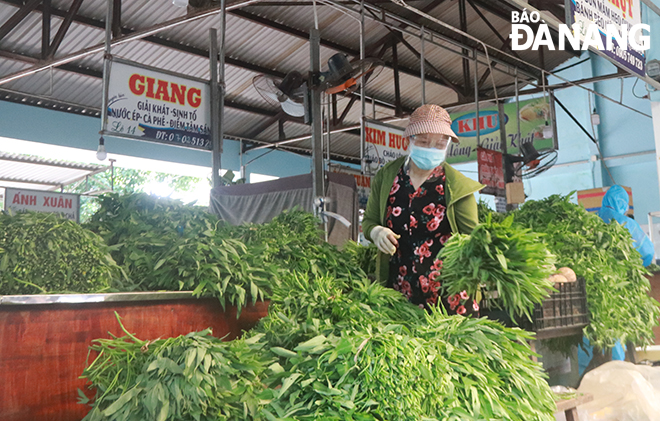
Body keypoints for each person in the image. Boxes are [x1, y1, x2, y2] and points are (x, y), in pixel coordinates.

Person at [362, 104, 484, 313]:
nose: (431, 148)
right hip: (400, 294)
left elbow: (474, 241)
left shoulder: (458, 187)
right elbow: (369, 220)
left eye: (439, 144)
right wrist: (376, 232)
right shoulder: (387, 177)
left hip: (449, 297)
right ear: (408, 141)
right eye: (423, 141)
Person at [578, 185, 655, 376]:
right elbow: (648, 253)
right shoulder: (627, 224)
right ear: (622, 204)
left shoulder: (591, 222)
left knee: (594, 326)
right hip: (619, 285)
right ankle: (615, 368)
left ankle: (587, 371)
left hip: (593, 285)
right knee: (615, 326)